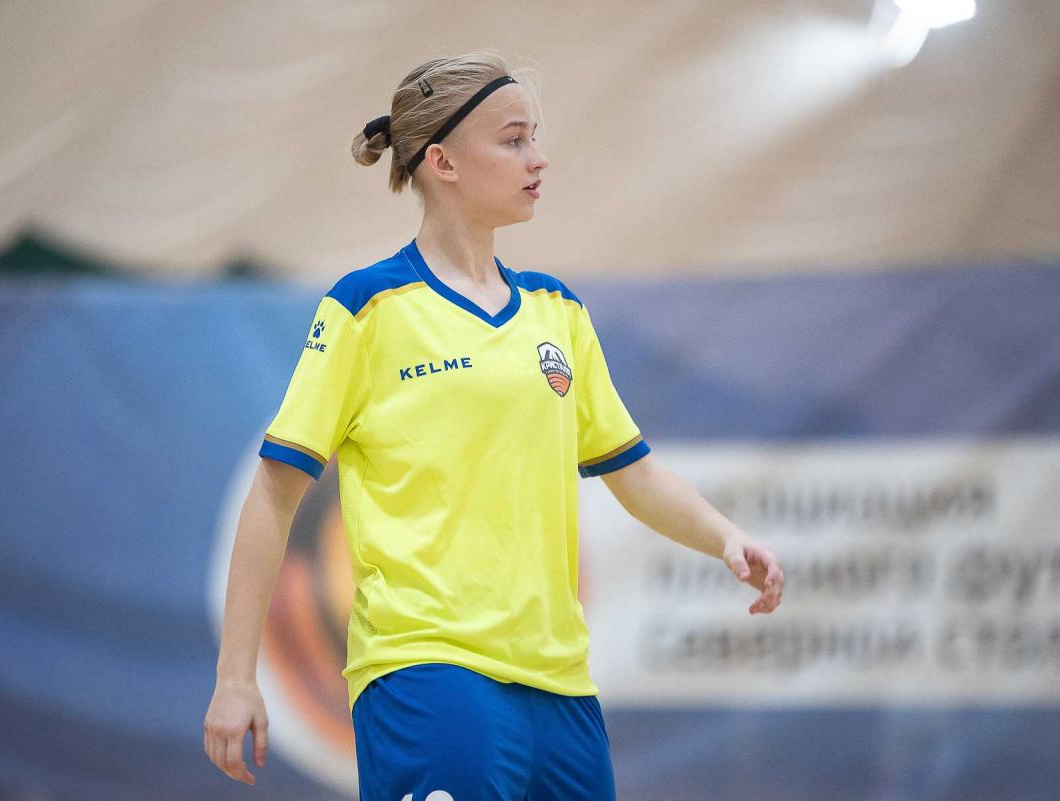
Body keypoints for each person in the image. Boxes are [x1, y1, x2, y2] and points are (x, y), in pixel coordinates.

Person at [204, 49, 784, 800]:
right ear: (442, 161)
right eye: (513, 140)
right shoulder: (365, 308)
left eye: (535, 137)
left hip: (561, 686)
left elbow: (633, 472)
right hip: (428, 674)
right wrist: (235, 678)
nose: (538, 158)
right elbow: (273, 495)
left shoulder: (557, 311)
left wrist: (726, 538)